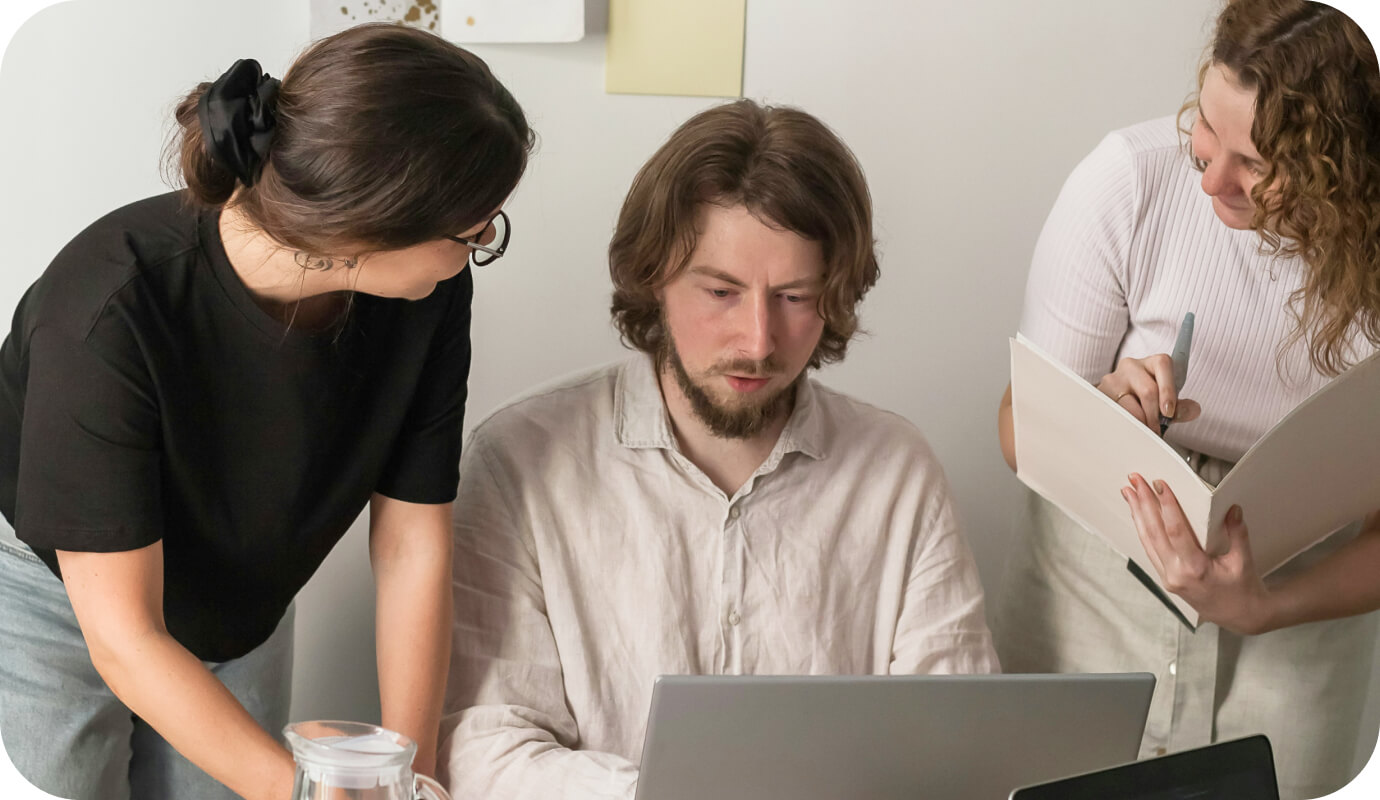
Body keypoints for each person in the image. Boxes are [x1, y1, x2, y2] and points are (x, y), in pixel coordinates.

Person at [0, 23, 532, 800]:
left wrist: (406, 775)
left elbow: (413, 541)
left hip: (242, 603)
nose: (481, 241)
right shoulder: (110, 306)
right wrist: (306, 792)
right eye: (473, 230)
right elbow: (125, 637)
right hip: (55, 601)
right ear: (369, 227)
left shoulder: (427, 294)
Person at [436, 99, 1000, 800]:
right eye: (721, 291)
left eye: (795, 296)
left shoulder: (896, 472)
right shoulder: (520, 460)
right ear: (654, 278)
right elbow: (483, 749)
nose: (758, 341)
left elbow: (956, 753)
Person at [993, 1, 1380, 796]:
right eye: (1206, 125)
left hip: (1303, 621)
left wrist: (1267, 606)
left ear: (1346, 166)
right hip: (1091, 597)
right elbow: (1014, 428)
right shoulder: (1128, 180)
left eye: (1260, 163)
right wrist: (1097, 412)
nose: (1210, 177)